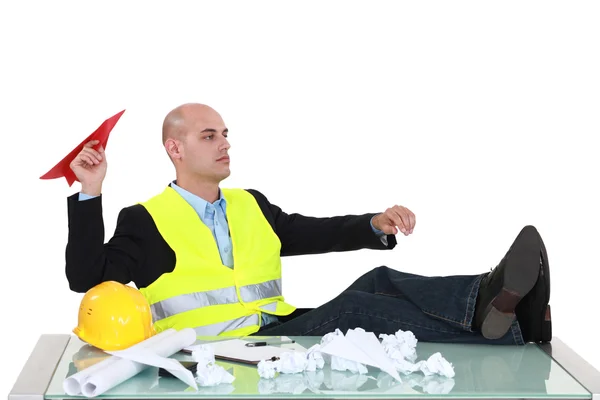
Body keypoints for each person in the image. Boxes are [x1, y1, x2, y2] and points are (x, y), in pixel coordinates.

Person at [64, 103, 551, 345]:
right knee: (359, 308)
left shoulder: (249, 203)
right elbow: (87, 278)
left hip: (277, 329)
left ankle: (494, 299)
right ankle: (505, 320)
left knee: (378, 281)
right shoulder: (147, 220)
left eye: (226, 134)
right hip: (220, 352)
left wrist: (372, 224)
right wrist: (90, 192)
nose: (224, 144)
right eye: (209, 135)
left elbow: (308, 231)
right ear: (175, 149)